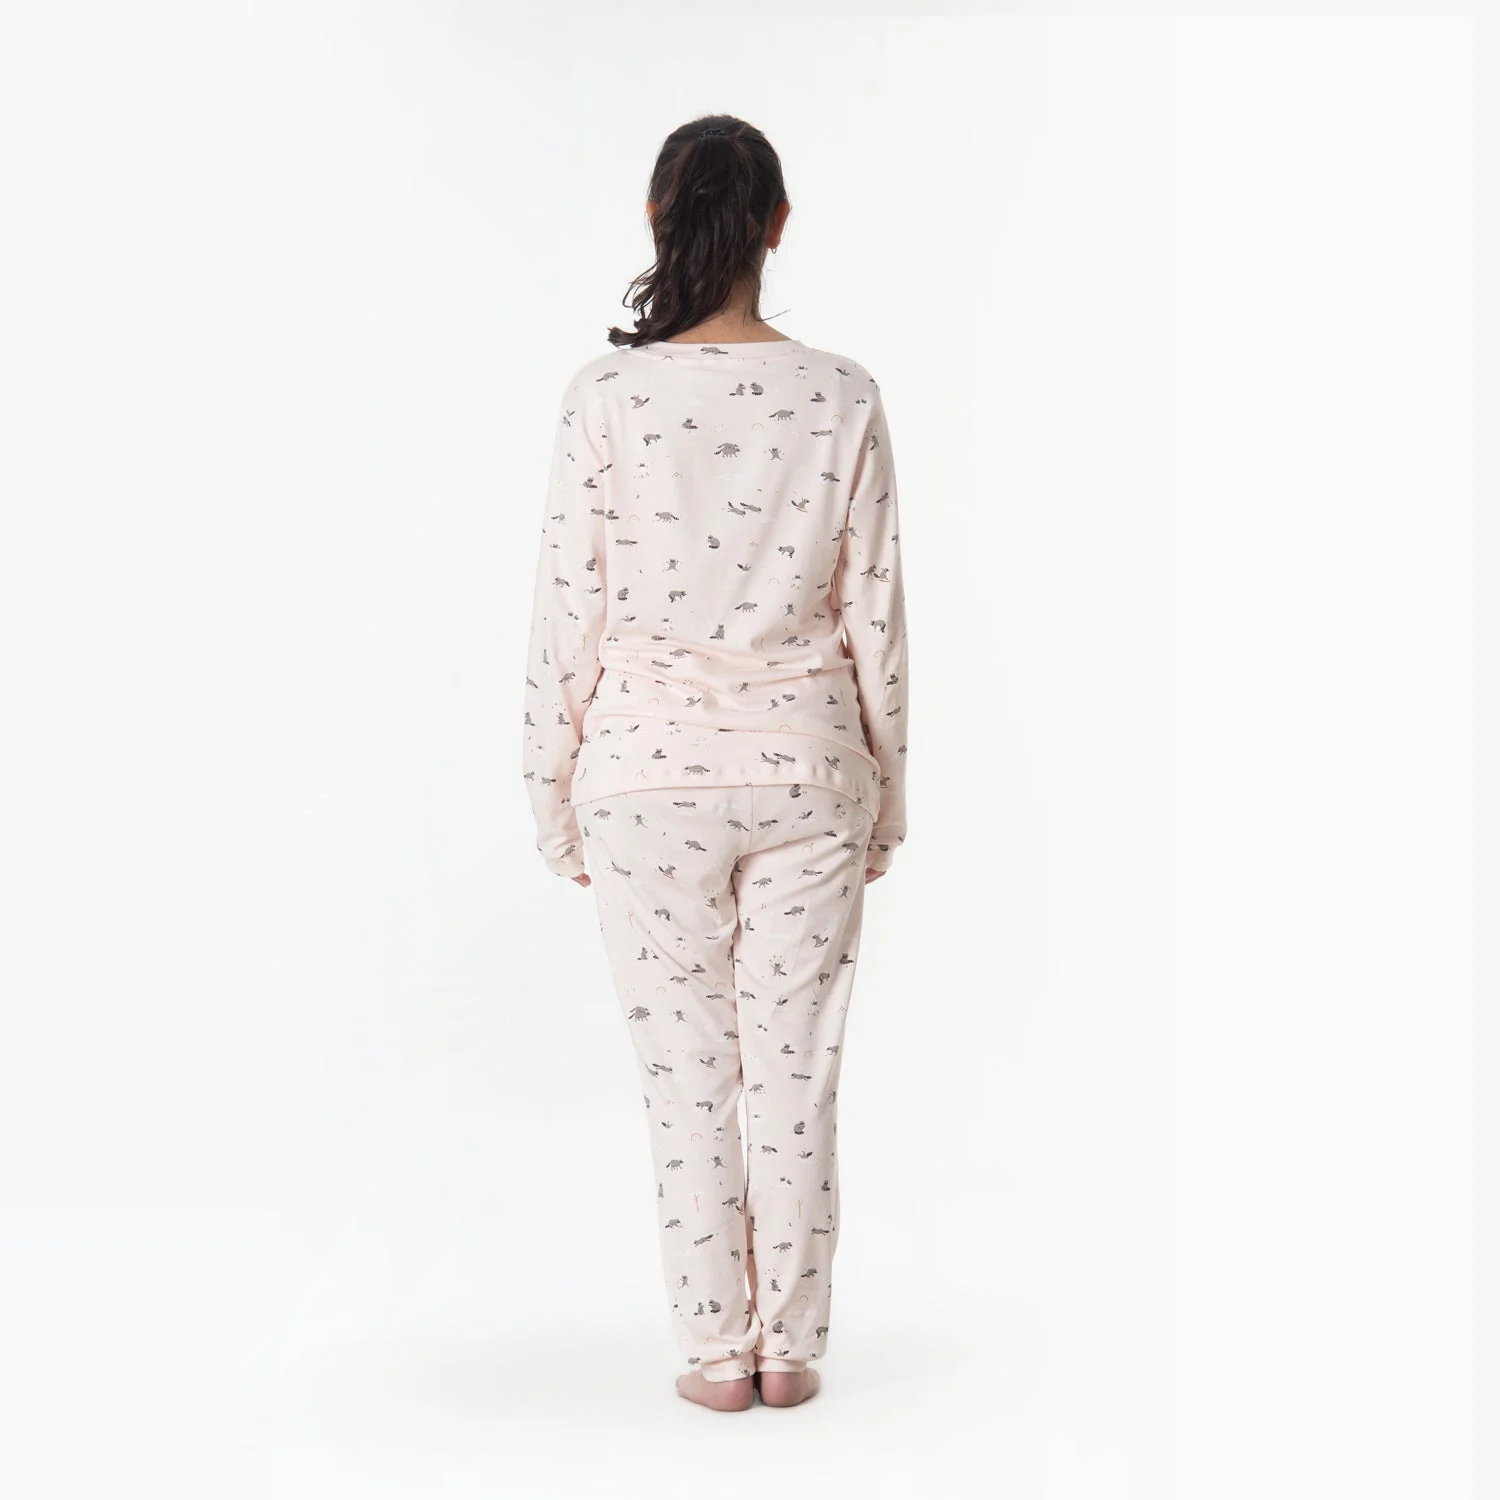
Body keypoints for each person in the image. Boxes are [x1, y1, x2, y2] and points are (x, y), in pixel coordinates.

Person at [521, 113, 909, 1411]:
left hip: (643, 775)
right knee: (795, 1070)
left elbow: (567, 612)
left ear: (656, 217)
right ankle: (788, 1351)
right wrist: (886, 796)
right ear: (778, 225)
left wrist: (552, 796)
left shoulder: (605, 396)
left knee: (688, 1078)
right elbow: (875, 613)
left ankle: (713, 1355)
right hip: (808, 767)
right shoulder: (843, 394)